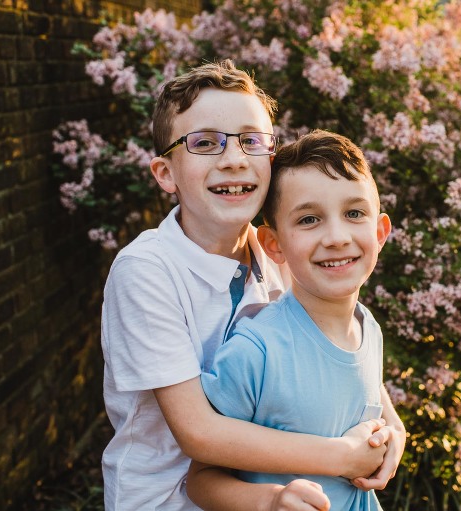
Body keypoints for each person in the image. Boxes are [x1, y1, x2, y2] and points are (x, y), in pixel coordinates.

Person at [101, 60, 399, 511]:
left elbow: (334, 345)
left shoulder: (279, 254)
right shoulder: (146, 270)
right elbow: (199, 432)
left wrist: (388, 429)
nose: (234, 158)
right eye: (204, 143)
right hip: (168, 500)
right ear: (165, 174)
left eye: (251, 140)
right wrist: (343, 457)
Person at [188, 130, 407, 510]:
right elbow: (201, 481)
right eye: (309, 219)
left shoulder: (368, 328)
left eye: (354, 213)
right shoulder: (256, 351)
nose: (337, 237)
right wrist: (273, 502)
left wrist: (393, 435)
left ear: (380, 231)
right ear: (274, 244)